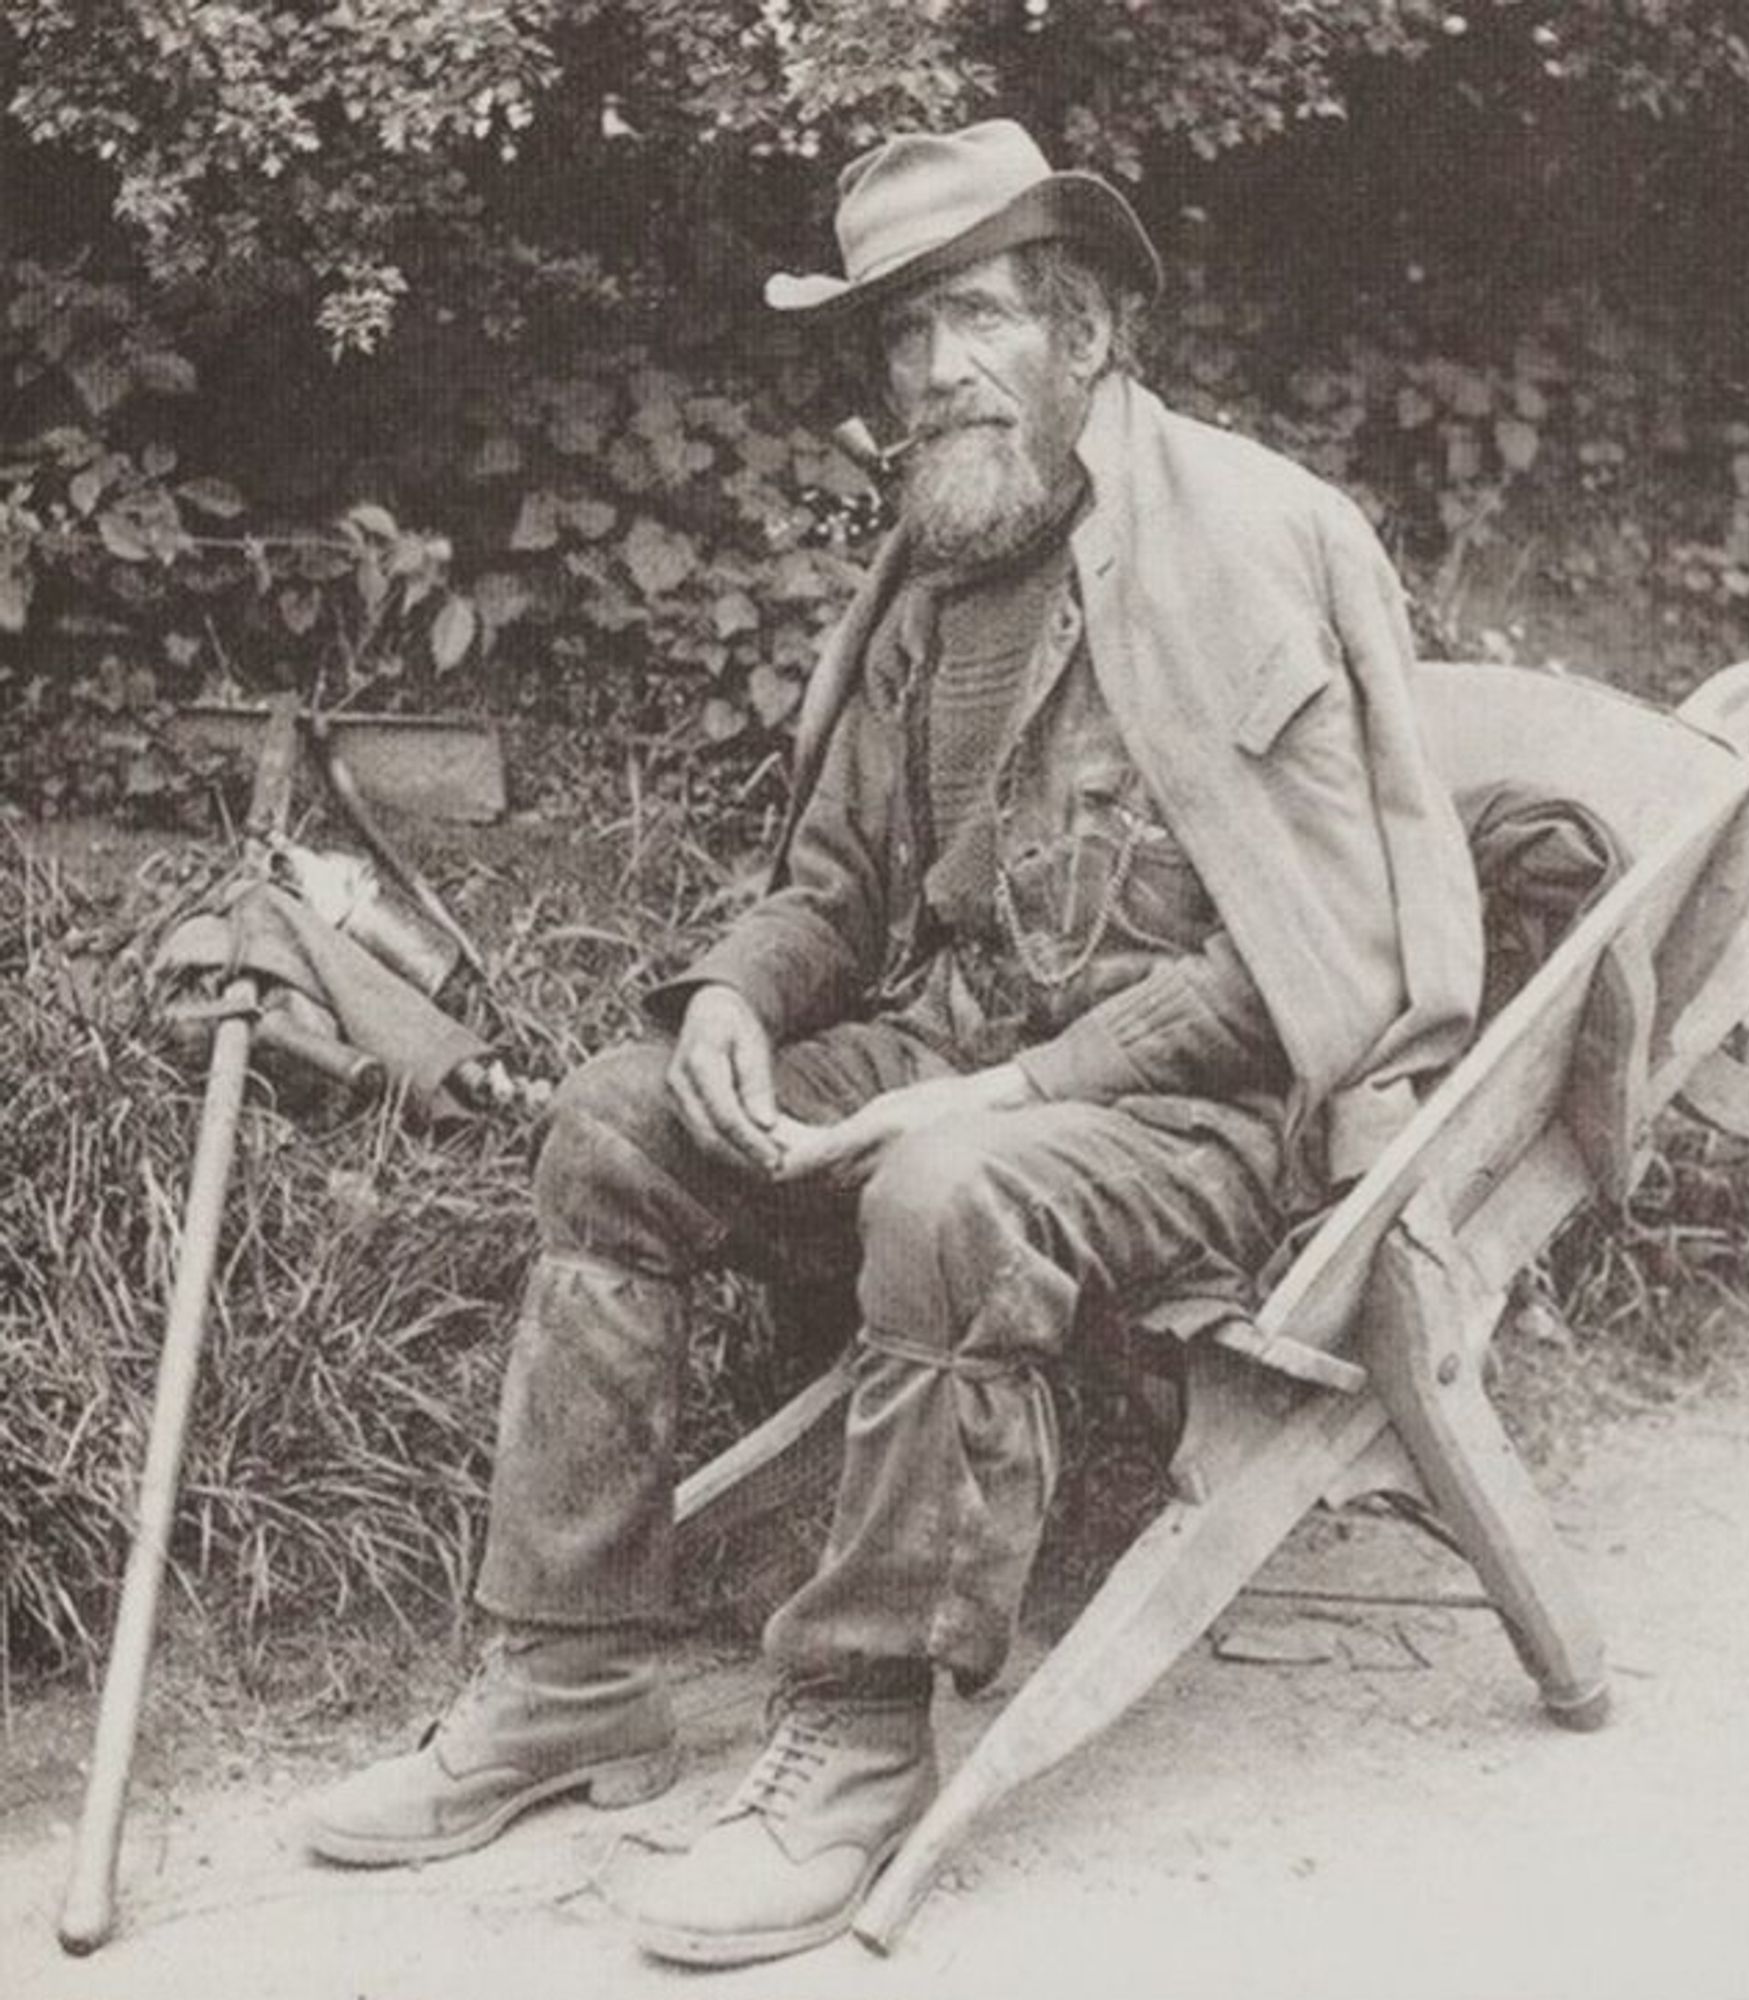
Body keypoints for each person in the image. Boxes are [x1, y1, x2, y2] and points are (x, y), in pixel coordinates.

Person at [301, 118, 1484, 1968]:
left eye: (982, 318)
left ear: (1088, 334)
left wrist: (1006, 1090)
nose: (937, 371)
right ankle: (567, 1679)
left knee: (945, 1189)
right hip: (956, 1057)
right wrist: (729, 999)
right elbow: (842, 884)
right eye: (904, 336)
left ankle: (854, 1735)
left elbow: (1311, 957)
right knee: (614, 1126)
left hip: (1191, 1111)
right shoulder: (941, 574)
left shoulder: (1258, 541)